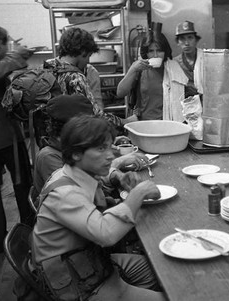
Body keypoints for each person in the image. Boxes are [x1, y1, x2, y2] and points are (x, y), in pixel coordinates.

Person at [31, 115, 164, 300]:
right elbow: (106, 234)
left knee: (160, 268)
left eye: (110, 146)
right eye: (101, 149)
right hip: (77, 281)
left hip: (92, 260)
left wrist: (117, 176)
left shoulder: (72, 171)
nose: (111, 155)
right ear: (77, 153)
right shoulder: (65, 194)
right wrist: (138, 194)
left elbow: (101, 175)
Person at [32, 94, 148, 199]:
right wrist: (118, 162)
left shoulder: (72, 150)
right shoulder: (48, 157)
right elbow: (83, 193)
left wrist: (114, 175)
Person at [45, 27, 135, 129]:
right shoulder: (75, 77)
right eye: (88, 56)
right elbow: (95, 115)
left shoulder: (48, 66)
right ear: (82, 51)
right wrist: (125, 121)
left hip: (48, 136)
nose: (88, 61)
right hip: (71, 135)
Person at [0, 24, 34, 254]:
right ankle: (28, 233)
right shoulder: (0, 65)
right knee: (22, 185)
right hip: (6, 138)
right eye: (5, 43)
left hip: (4, 136)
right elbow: (1, 69)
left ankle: (2, 241)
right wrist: (17, 55)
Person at [117, 27, 187, 121]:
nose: (155, 55)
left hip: (170, 124)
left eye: (159, 50)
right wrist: (133, 70)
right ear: (146, 53)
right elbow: (120, 93)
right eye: (151, 51)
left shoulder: (175, 69)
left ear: (165, 51)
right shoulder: (140, 69)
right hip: (145, 123)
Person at [174, 20, 204, 101]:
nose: (186, 43)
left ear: (196, 40)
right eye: (182, 39)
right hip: (185, 104)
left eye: (190, 38)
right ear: (178, 42)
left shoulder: (206, 59)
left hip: (207, 103)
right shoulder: (175, 63)